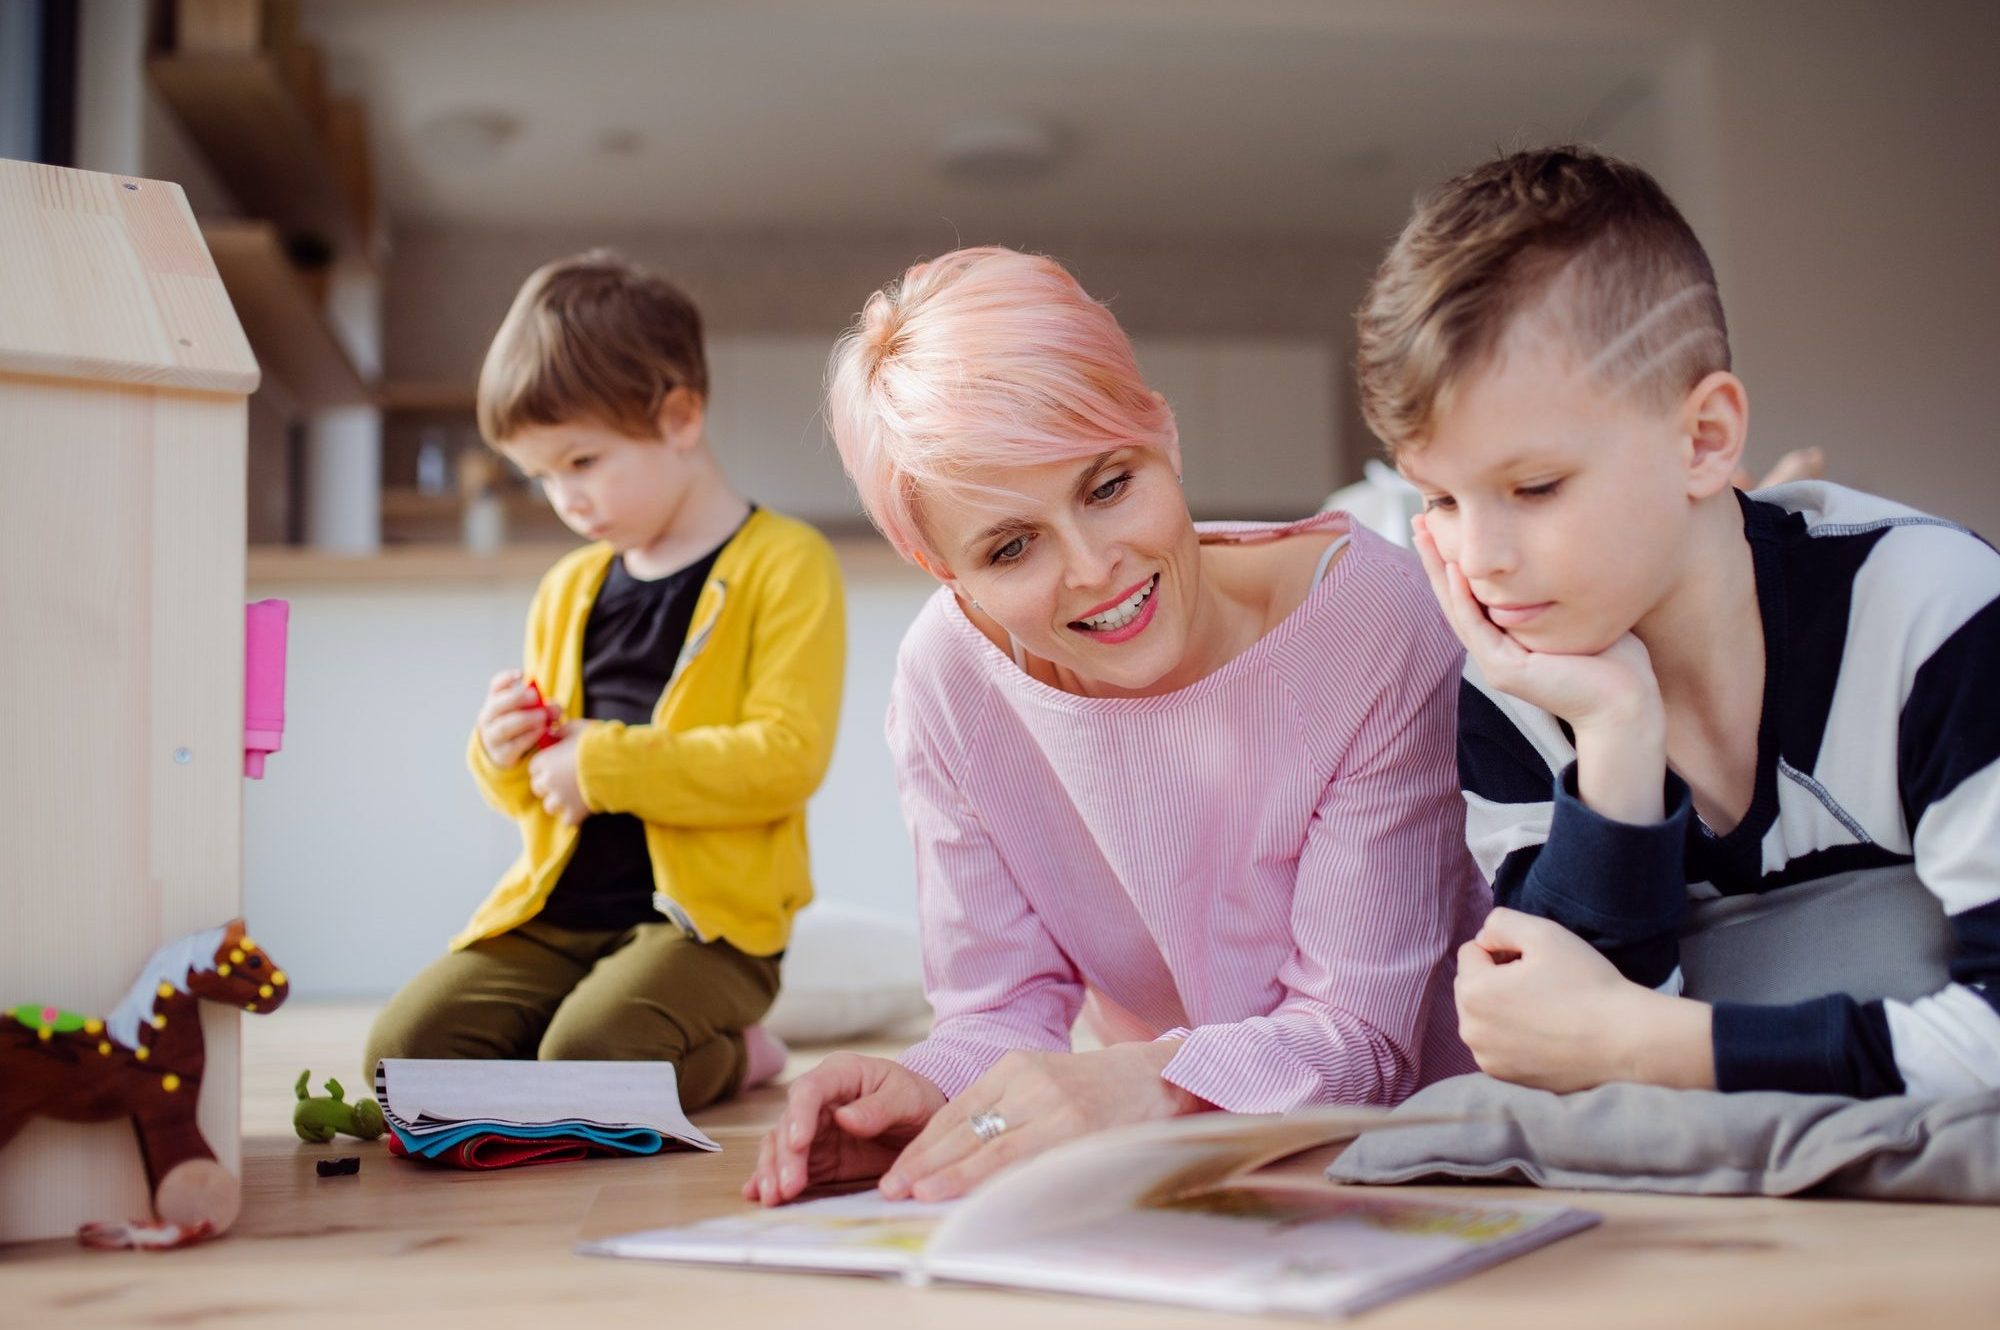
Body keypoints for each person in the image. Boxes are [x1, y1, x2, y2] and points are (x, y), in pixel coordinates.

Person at [744, 246, 1486, 1207]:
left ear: (1165, 438)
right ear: (944, 570)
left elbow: (1361, 1046)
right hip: (1181, 1179)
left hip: (1430, 1168)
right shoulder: (949, 681)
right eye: (1011, 547)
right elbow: (1000, 1010)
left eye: (1108, 485)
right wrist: (930, 1095)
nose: (1094, 568)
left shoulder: (1369, 625)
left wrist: (1147, 1084)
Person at [1361, 145, 2000, 1099]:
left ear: (1704, 440)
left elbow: (1605, 1048)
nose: (1481, 557)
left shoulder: (1932, 611)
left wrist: (1640, 1040)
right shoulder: (1510, 690)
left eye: (1534, 487)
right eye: (1441, 500)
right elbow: (1564, 1068)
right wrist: (1616, 737)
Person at [364, 251, 846, 1111]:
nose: (564, 500)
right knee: (404, 1058)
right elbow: (537, 792)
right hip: (559, 916)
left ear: (680, 418)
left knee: (595, 1054)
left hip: (708, 930)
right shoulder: (568, 588)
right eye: (540, 477)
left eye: (581, 462)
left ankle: (740, 1056)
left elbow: (787, 758)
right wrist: (500, 749)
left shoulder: (787, 563)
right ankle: (562, 1076)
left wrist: (605, 764)